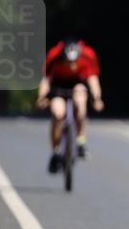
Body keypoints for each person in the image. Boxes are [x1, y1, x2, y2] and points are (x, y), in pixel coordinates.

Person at [37, 38, 104, 173]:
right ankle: (56, 151)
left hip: (77, 84)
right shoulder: (54, 56)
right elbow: (46, 80)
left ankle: (80, 142)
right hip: (58, 86)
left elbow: (93, 80)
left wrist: (97, 98)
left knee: (80, 102)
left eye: (74, 62)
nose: (71, 66)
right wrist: (41, 97)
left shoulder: (87, 55)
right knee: (57, 113)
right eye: (68, 62)